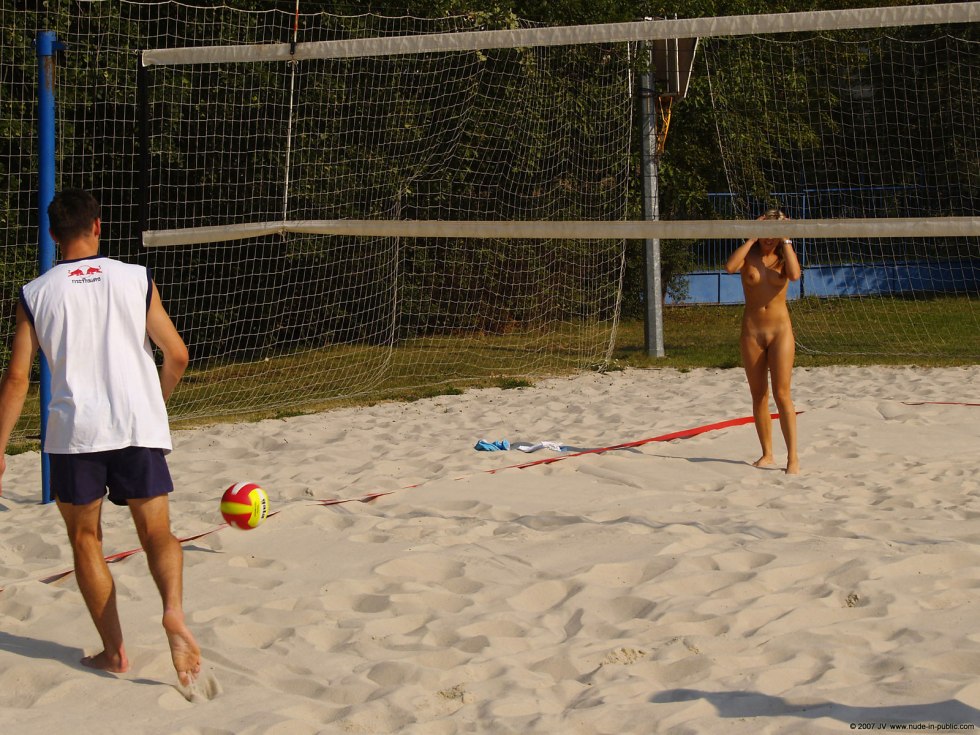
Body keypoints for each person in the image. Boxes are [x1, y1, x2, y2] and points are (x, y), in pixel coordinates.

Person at [0, 189, 201, 687]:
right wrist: (155, 406)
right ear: (98, 227)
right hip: (136, 424)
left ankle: (114, 652)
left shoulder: (36, 292)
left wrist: (0, 447)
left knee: (85, 539)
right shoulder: (135, 278)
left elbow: (18, 379)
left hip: (75, 432)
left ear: (52, 236)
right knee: (157, 534)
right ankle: (172, 611)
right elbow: (176, 354)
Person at [724, 208, 802, 474]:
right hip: (752, 332)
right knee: (759, 395)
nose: (769, 239)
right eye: (766, 233)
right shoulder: (751, 256)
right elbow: (730, 267)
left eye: (774, 235)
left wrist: (787, 239)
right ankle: (767, 453)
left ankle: (793, 458)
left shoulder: (784, 256)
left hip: (780, 331)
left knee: (782, 395)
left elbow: (794, 275)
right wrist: (751, 238)